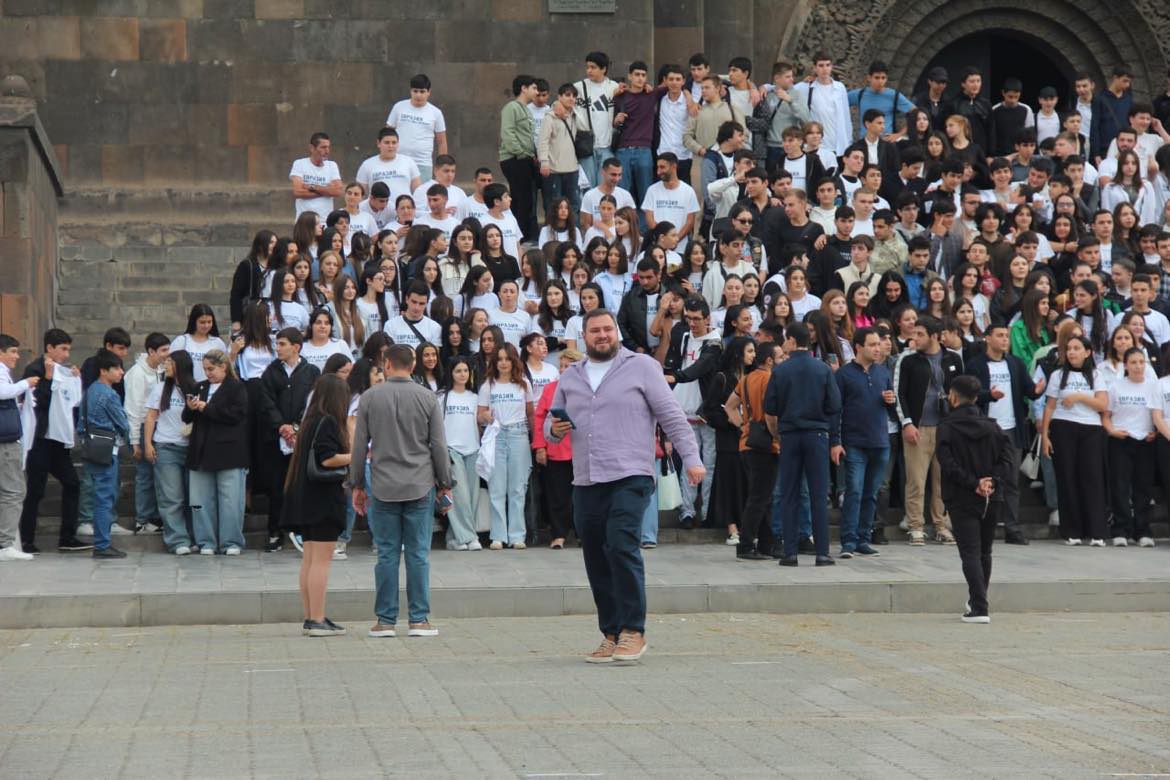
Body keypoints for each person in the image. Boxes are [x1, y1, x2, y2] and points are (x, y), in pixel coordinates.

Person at [546, 308, 702, 664]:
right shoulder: (571, 376)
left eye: (608, 329)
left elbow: (672, 416)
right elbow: (551, 425)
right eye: (595, 331)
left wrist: (692, 460)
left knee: (620, 544)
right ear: (584, 336)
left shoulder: (642, 367)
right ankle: (611, 633)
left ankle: (634, 630)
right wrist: (552, 431)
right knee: (595, 556)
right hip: (586, 478)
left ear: (616, 332)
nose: (602, 335)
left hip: (631, 474)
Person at [352, 344, 452, 638]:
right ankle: (418, 620)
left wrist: (356, 484)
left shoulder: (369, 398)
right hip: (419, 483)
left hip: (383, 485)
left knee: (387, 554)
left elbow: (359, 446)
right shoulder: (427, 397)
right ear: (413, 365)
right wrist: (445, 483)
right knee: (418, 554)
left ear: (387, 364)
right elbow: (439, 445)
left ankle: (385, 621)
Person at [935, 375, 1015, 624]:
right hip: (992, 496)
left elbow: (947, 464)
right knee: (984, 551)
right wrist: (991, 482)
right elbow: (1007, 461)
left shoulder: (947, 427)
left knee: (970, 552)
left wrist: (974, 483)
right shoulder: (994, 427)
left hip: (962, 497)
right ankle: (977, 600)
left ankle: (979, 607)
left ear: (953, 396)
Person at [765, 321, 843, 566]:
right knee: (818, 494)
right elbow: (834, 405)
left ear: (791, 340)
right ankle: (822, 552)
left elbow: (770, 409)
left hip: (790, 434)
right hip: (817, 435)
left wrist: (777, 434)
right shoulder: (823, 369)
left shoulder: (781, 371)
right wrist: (833, 437)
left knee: (789, 493)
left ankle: (790, 552)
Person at [281, 374, 352, 636]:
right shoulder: (329, 421)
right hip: (323, 500)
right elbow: (327, 458)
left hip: (305, 497)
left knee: (310, 561)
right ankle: (317, 619)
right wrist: (355, 455)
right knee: (321, 562)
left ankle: (312, 616)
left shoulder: (310, 421)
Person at [963, 322, 1044, 545]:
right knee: (984, 479)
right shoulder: (976, 365)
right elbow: (969, 395)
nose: (1005, 339)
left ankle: (1012, 528)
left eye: (1006, 336)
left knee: (1011, 481)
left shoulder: (1015, 364)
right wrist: (989, 395)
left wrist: (1038, 390)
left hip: (1011, 429)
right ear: (987, 338)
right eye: (999, 335)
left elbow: (1029, 391)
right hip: (985, 430)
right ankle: (981, 525)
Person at [19, 328, 89, 554]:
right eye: (63, 349)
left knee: (72, 483)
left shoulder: (64, 371)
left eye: (68, 349)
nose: (66, 354)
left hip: (58, 440)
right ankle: (26, 540)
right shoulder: (34, 369)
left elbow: (71, 402)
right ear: (49, 348)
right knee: (35, 490)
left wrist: (74, 379)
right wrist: (48, 379)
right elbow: (36, 402)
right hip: (39, 440)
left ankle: (67, 537)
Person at [893, 316, 962, 545]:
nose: (915, 338)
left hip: (945, 427)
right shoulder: (907, 360)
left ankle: (941, 525)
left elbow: (961, 392)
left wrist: (956, 424)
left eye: (920, 334)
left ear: (935, 336)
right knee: (916, 480)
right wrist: (907, 423)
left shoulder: (953, 358)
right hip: (918, 428)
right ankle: (915, 525)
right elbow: (899, 393)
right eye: (914, 333)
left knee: (943, 480)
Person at [1040, 335, 1109, 545]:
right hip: (1063, 427)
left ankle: (1096, 531)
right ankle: (1072, 531)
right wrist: (1045, 435)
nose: (1071, 352)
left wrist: (1079, 397)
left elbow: (1102, 404)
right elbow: (1050, 406)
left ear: (1087, 352)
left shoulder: (1096, 375)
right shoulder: (1057, 375)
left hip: (1091, 429)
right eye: (1069, 348)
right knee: (1067, 478)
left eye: (1077, 348)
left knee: (1092, 479)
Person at [258, 328, 321, 552]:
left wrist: (295, 426)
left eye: (282, 344)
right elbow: (266, 402)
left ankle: (301, 530)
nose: (278, 348)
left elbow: (313, 402)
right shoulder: (271, 372)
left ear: (296, 347)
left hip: (302, 438)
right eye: (277, 344)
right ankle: (275, 532)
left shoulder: (311, 371)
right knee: (277, 487)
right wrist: (281, 426)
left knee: (301, 487)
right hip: (276, 440)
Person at [835, 327, 895, 558]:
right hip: (854, 442)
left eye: (878, 344)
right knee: (854, 491)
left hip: (880, 441)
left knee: (872, 493)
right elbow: (835, 410)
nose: (877, 349)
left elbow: (892, 410)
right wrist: (836, 441)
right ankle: (848, 541)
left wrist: (891, 401)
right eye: (872, 344)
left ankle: (863, 538)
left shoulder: (883, 373)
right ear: (858, 347)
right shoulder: (844, 374)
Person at [183, 350, 249, 555]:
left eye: (211, 369)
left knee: (230, 500)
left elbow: (237, 415)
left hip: (228, 451)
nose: (207, 373)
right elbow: (186, 418)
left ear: (223, 367)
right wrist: (191, 407)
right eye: (205, 369)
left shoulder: (236, 387)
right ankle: (206, 541)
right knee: (200, 500)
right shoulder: (199, 386)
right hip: (200, 450)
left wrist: (207, 408)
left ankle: (231, 542)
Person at [1102, 348, 1166, 547]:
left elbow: (1159, 415)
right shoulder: (1116, 387)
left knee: (1143, 488)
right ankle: (1121, 529)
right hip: (1121, 441)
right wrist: (1112, 431)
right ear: (1126, 365)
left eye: (1141, 362)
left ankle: (1142, 531)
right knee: (1120, 486)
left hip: (1145, 442)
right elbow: (1106, 416)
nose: (1138, 366)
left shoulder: (1154, 386)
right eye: (1133, 362)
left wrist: (1156, 432)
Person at [477, 343, 534, 549]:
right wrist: (485, 416)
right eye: (499, 359)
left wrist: (535, 440)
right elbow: (479, 415)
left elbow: (531, 414)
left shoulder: (524, 384)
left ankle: (517, 536)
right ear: (494, 362)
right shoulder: (488, 385)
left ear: (514, 361)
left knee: (518, 488)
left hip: (519, 434)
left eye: (507, 359)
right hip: (497, 435)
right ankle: (498, 536)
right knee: (497, 488)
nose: (503, 363)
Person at [78, 350, 130, 559]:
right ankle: (102, 544)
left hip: (91, 447)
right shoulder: (109, 394)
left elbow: (80, 424)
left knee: (99, 495)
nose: (121, 372)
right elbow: (123, 423)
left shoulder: (90, 390)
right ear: (103, 371)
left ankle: (102, 543)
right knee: (105, 498)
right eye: (116, 368)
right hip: (106, 449)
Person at [143, 350, 196, 554]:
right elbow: (150, 417)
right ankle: (178, 540)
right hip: (166, 447)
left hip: (190, 448)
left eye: (170, 362)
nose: (166, 365)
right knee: (171, 497)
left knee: (193, 497)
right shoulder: (160, 388)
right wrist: (148, 444)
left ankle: (193, 536)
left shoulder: (195, 388)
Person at [123, 332, 169, 535]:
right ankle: (142, 520)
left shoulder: (161, 369)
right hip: (142, 426)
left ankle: (154, 517)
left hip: (158, 426)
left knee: (155, 475)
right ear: (151, 351)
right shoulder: (136, 374)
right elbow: (133, 408)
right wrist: (135, 441)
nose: (167, 354)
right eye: (163, 350)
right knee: (144, 475)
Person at [0, 333, 37, 561]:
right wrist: (26, 384)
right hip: (4, 442)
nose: (16, 356)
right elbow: (2, 392)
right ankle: (5, 544)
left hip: (7, 439)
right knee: (13, 491)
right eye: (12, 351)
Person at [499, 75, 539, 241]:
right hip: (514, 159)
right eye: (533, 88)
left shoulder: (527, 110)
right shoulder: (511, 107)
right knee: (520, 198)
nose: (536, 92)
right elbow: (507, 132)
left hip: (526, 158)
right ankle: (518, 236)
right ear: (524, 88)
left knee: (526, 199)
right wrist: (521, 152)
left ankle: (524, 234)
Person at [386, 74, 447, 181]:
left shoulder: (436, 113)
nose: (418, 95)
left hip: (423, 164)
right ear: (411, 91)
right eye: (415, 91)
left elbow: (442, 142)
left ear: (429, 92)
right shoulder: (399, 107)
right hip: (398, 161)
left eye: (422, 91)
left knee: (422, 192)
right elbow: (387, 134)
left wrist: (442, 168)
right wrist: (386, 158)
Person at [289, 132, 343, 221]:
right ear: (312, 148)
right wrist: (327, 191)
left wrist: (312, 187)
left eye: (328, 147)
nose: (327, 151)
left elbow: (338, 191)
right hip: (304, 221)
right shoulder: (300, 164)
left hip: (325, 221)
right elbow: (298, 192)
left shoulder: (332, 165)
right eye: (323, 147)